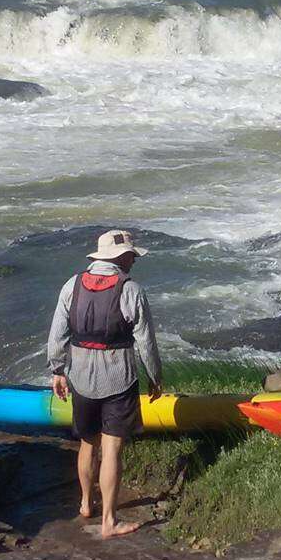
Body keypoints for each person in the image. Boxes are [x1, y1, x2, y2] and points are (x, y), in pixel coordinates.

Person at [46, 229, 164, 538]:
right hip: (118, 377)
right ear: (121, 258)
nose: (134, 261)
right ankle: (109, 521)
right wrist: (155, 377)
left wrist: (57, 369)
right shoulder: (131, 290)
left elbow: (57, 333)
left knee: (87, 442)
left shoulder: (71, 285)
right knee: (112, 448)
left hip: (81, 376)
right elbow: (146, 343)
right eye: (131, 256)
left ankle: (86, 503)